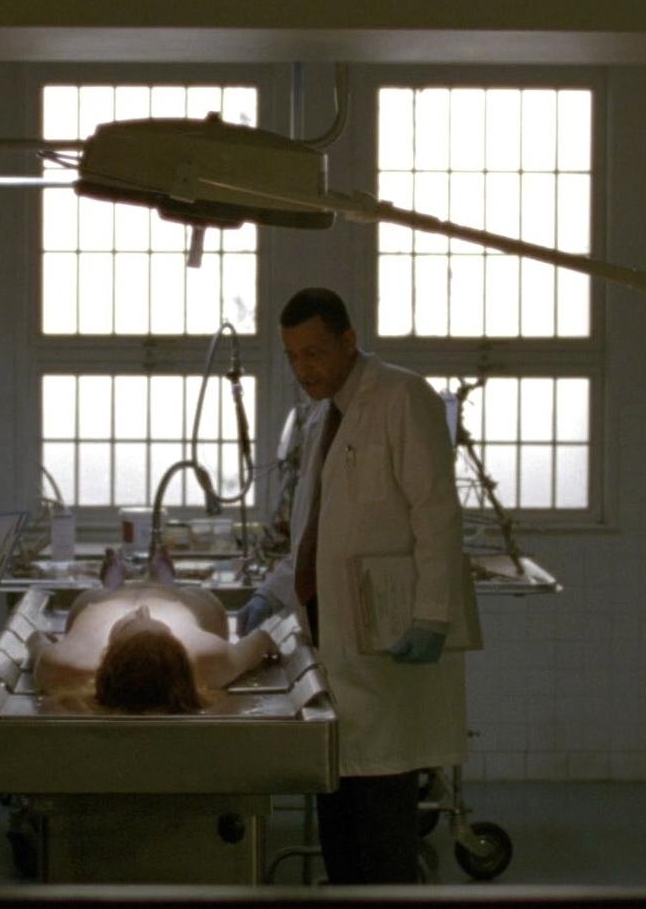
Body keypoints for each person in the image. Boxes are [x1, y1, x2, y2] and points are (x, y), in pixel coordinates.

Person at [237, 287, 477, 884]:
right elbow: (316, 534)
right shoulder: (323, 416)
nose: (303, 369)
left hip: (388, 649)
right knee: (340, 827)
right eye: (292, 356)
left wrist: (432, 616)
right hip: (332, 650)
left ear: (349, 340)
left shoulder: (403, 397)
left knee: (383, 826)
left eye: (314, 353)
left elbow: (436, 515)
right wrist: (276, 589)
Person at [28, 547, 278, 711]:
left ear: (109, 653)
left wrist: (44, 641)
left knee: (95, 597)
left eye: (129, 623)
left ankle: (113, 585)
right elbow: (259, 641)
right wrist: (269, 642)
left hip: (101, 601)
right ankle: (166, 583)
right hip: (181, 600)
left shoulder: (66, 664)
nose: (144, 610)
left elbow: (35, 640)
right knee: (201, 602)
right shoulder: (209, 659)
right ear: (178, 650)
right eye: (165, 629)